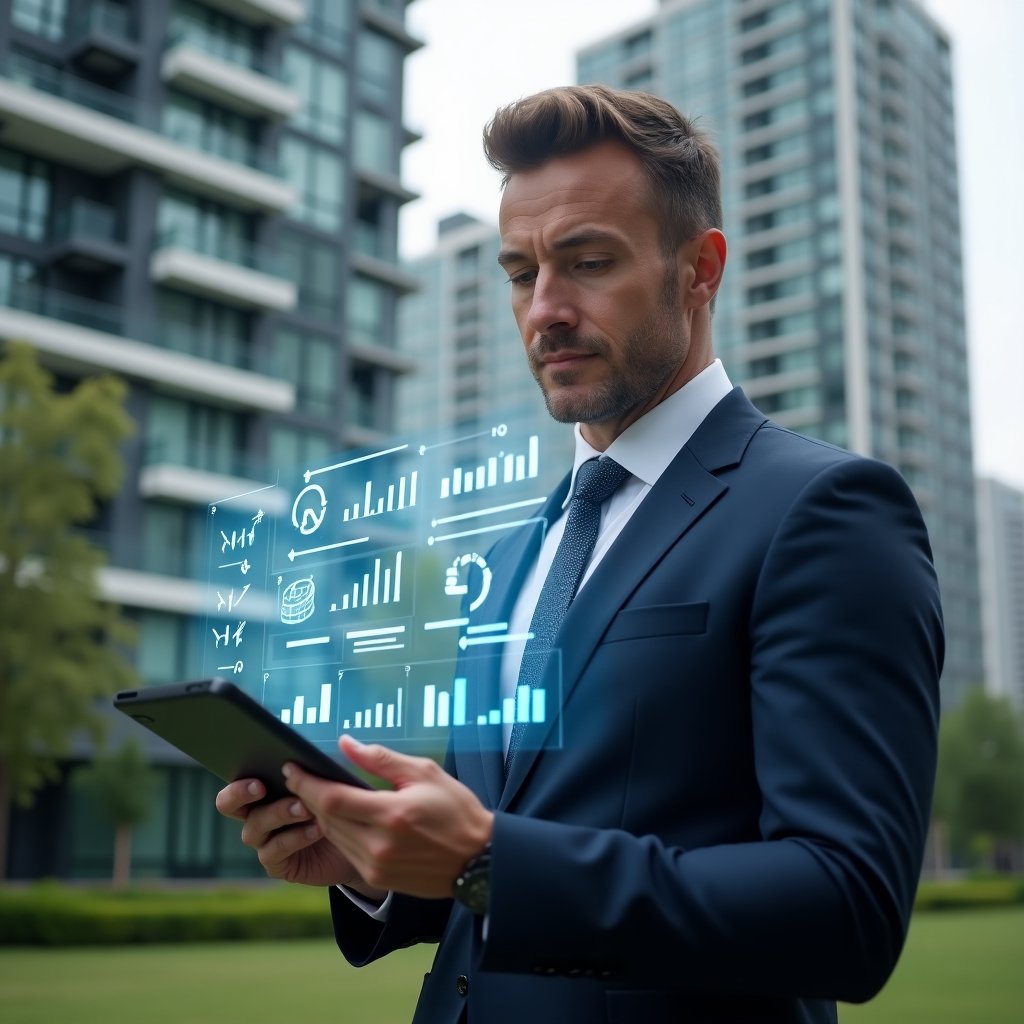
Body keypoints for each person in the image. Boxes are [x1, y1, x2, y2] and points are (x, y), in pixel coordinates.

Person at [216, 85, 943, 1023]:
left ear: (700, 269)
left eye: (588, 261)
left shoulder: (827, 511)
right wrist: (382, 868)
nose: (545, 309)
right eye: (521, 273)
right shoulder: (515, 555)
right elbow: (505, 857)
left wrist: (487, 856)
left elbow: (848, 905)